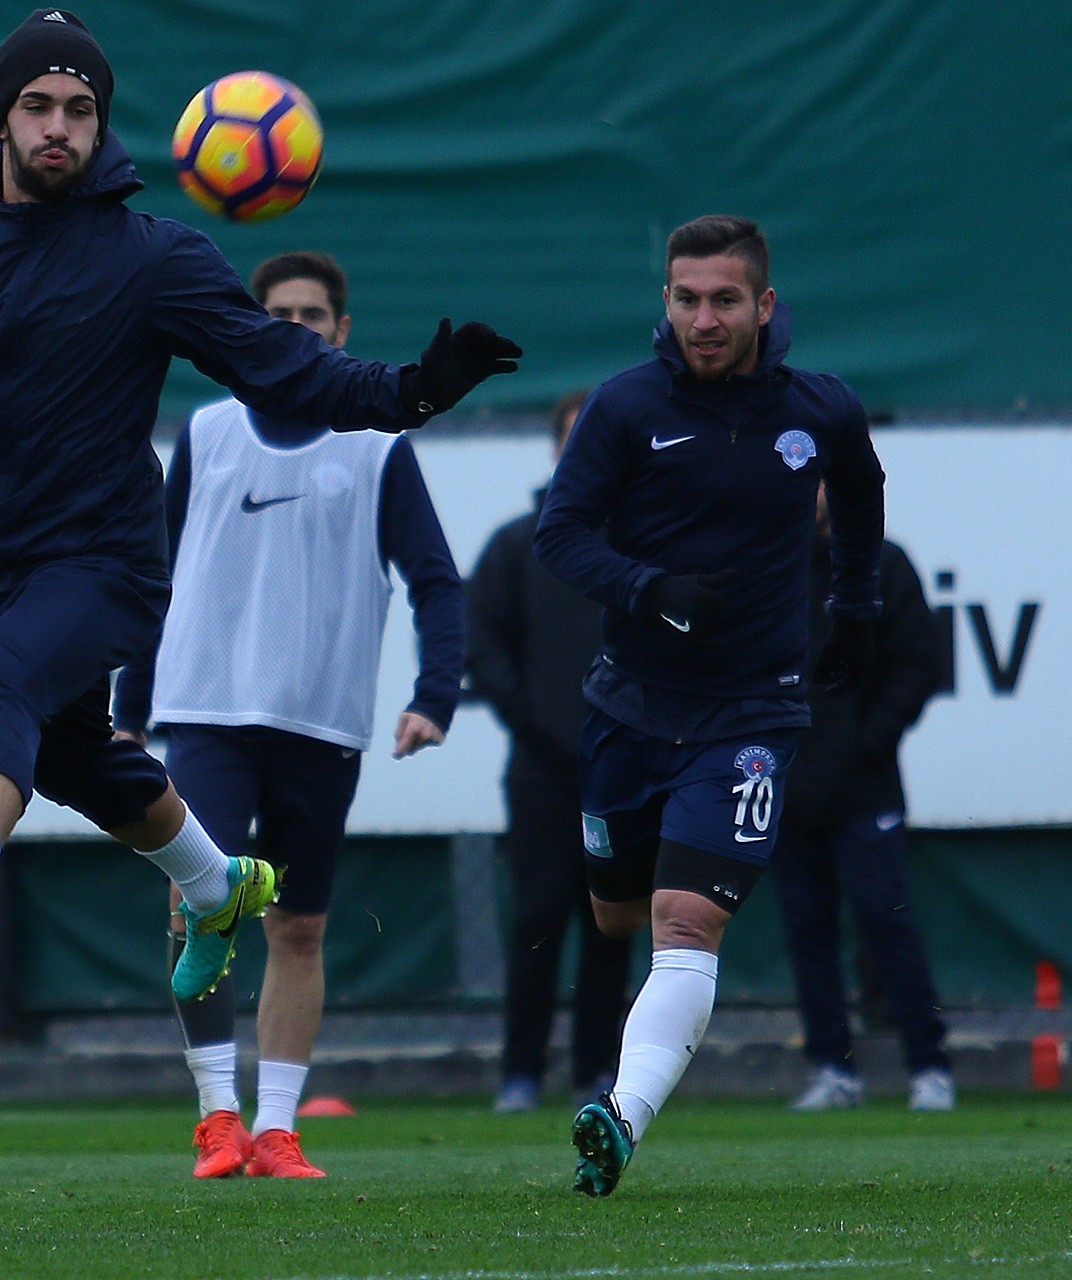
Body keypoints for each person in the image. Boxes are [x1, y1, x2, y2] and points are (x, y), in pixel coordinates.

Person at [0, 10, 519, 1009]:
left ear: (102, 125)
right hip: (8, 569)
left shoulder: (154, 258)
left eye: (80, 108)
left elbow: (288, 372)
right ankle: (217, 888)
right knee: (74, 761)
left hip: (112, 564)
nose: (58, 125)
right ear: (2, 118)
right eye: (37, 104)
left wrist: (416, 392)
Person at [532, 214, 885, 1196]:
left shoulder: (821, 408)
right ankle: (620, 1092)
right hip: (629, 709)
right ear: (666, 301)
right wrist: (649, 588)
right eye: (687, 299)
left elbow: (861, 495)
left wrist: (855, 607)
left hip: (752, 715)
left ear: (764, 305)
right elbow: (560, 534)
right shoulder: (625, 406)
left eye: (725, 299)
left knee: (685, 920)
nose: (705, 319)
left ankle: (621, 1117)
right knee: (616, 915)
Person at [110, 251, 465, 1179]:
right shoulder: (208, 431)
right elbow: (154, 575)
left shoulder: (379, 446)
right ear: (252, 329)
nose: (298, 329)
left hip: (323, 722)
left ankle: (277, 1128)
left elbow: (435, 580)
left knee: (299, 928)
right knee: (202, 905)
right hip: (208, 713)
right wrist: (130, 709)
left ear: (342, 332)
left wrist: (434, 696)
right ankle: (217, 1116)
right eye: (280, 316)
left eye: (313, 316)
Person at [468, 390, 632, 1114]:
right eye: (572, 437)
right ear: (554, 449)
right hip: (540, 775)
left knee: (612, 926)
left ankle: (599, 1071)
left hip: (624, 776)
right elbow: (484, 646)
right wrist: (537, 724)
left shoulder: (640, 549)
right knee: (536, 922)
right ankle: (521, 1075)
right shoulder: (515, 546)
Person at [774, 484, 952, 1112]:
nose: (815, 488)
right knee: (807, 930)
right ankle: (832, 1069)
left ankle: (929, 1065)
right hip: (788, 783)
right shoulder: (770, 562)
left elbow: (920, 663)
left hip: (864, 785)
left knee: (886, 919)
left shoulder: (883, 563)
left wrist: (865, 741)